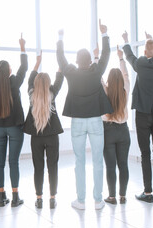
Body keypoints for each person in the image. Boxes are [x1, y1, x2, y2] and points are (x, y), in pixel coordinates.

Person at [56, 19, 113, 210]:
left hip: (78, 123)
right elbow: (105, 54)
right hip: (96, 121)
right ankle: (98, 200)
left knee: (79, 161)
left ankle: (80, 200)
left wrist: (61, 37)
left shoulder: (70, 72)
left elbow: (60, 58)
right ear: (90, 61)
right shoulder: (96, 71)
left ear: (76, 61)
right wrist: (104, 34)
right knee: (98, 160)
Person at [122, 31, 153, 203]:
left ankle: (148, 193)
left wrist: (127, 41)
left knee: (145, 154)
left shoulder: (141, 63)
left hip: (143, 113)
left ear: (144, 52)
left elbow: (129, 56)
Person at [0, 34, 27, 207]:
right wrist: (22, 47)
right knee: (13, 162)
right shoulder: (15, 82)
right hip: (15, 128)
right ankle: (15, 198)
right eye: (10, 67)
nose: (11, 69)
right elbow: (24, 66)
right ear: (8, 71)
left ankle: (2, 197)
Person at [23, 52, 64, 209]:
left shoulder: (31, 94)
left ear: (35, 83)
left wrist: (37, 63)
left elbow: (29, 80)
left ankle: (39, 198)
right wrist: (60, 64)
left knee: (38, 167)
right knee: (52, 166)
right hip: (52, 136)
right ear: (48, 83)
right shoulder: (52, 93)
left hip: (36, 137)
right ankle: (52, 198)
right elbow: (59, 79)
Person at [95, 45, 130, 205]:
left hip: (107, 131)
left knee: (110, 166)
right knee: (123, 165)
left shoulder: (105, 90)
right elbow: (126, 75)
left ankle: (112, 197)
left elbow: (98, 77)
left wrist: (96, 58)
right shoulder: (125, 90)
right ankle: (123, 196)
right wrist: (121, 58)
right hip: (123, 131)